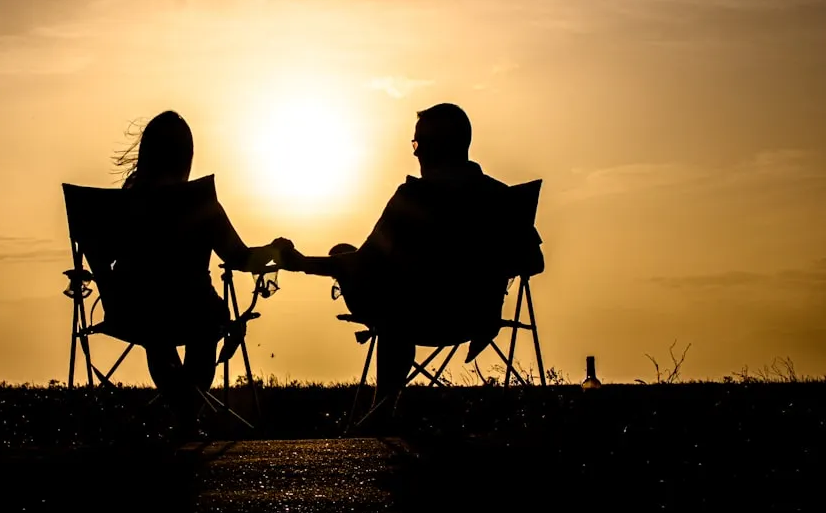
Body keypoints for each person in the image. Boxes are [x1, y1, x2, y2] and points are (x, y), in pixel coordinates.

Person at [277, 103, 543, 427]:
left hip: (417, 318)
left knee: (355, 268)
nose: (415, 154)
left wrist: (302, 263)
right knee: (397, 300)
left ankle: (380, 413)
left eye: (417, 144)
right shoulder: (504, 198)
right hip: (476, 317)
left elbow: (365, 260)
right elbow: (534, 262)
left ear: (434, 147)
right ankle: (384, 411)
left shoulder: (414, 197)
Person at [103, 110, 290, 432]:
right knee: (204, 329)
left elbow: (103, 256)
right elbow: (240, 258)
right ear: (185, 157)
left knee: (157, 337)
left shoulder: (122, 206)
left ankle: (181, 411)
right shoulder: (199, 202)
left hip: (133, 309)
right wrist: (276, 252)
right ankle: (188, 414)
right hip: (194, 310)